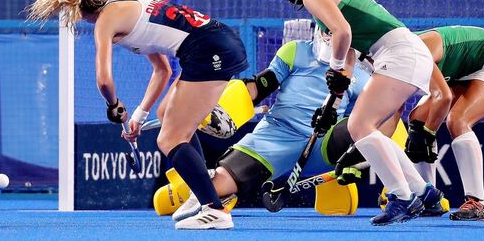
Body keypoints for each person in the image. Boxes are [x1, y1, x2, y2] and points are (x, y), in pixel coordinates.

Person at [26, 0, 248, 230]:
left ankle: (214, 209)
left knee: (169, 140)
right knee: (166, 114)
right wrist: (138, 117)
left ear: (80, 12)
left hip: (207, 51)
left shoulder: (104, 22)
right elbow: (162, 70)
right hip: (216, 41)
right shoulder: (127, 3)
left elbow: (104, 80)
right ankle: (201, 191)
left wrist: (113, 104)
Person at [274, 0, 444, 225]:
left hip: (399, 53)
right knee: (367, 126)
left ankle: (402, 197)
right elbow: (350, 51)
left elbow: (343, 33)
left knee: (359, 126)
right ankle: (424, 193)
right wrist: (334, 101)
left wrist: (335, 68)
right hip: (405, 52)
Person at [166, 20, 395, 221]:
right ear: (318, 30)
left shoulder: (363, 76)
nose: (331, 38)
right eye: (328, 31)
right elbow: (259, 87)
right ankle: (181, 188)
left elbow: (382, 117)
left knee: (368, 119)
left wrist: (356, 155)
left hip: (323, 146)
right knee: (212, 191)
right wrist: (220, 107)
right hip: (274, 137)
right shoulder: (295, 51)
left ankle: (397, 190)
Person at [405, 25, 484, 221]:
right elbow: (394, 111)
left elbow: (442, 97)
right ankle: (428, 200)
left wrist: (427, 133)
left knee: (457, 120)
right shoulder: (395, 60)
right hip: (463, 70)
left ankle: (479, 203)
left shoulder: (418, 51)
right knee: (417, 121)